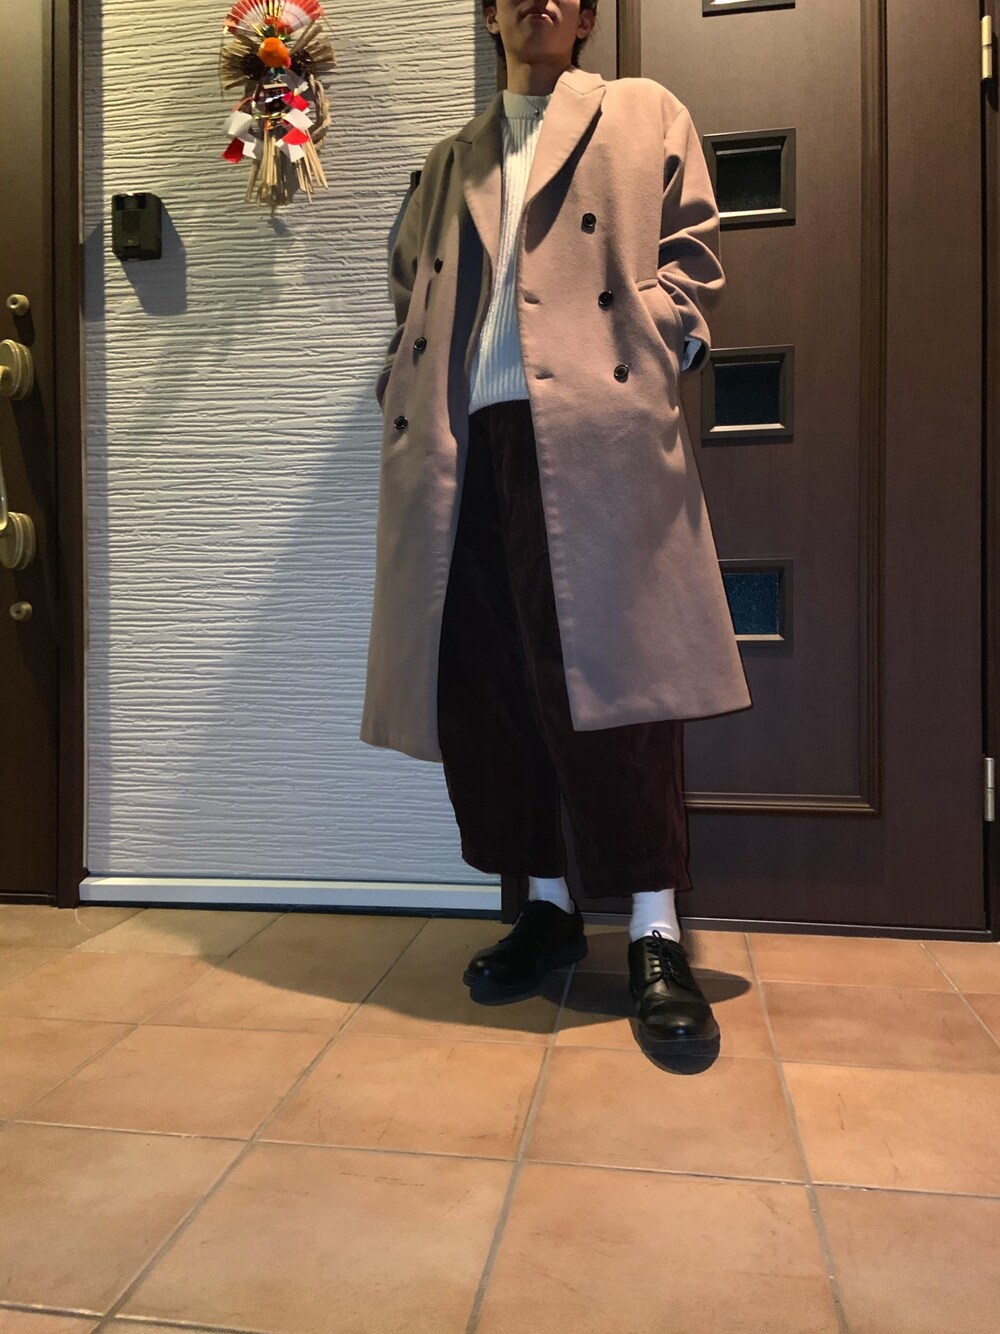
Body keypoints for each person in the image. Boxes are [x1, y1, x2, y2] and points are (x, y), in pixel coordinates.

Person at [362, 0, 753, 1050]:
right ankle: (543, 908)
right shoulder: (450, 161)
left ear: (583, 15)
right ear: (491, 14)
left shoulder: (643, 111)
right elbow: (408, 293)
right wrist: (401, 379)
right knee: (491, 689)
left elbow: (693, 256)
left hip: (596, 435)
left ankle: (655, 929)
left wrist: (657, 344)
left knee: (622, 690)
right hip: (459, 451)